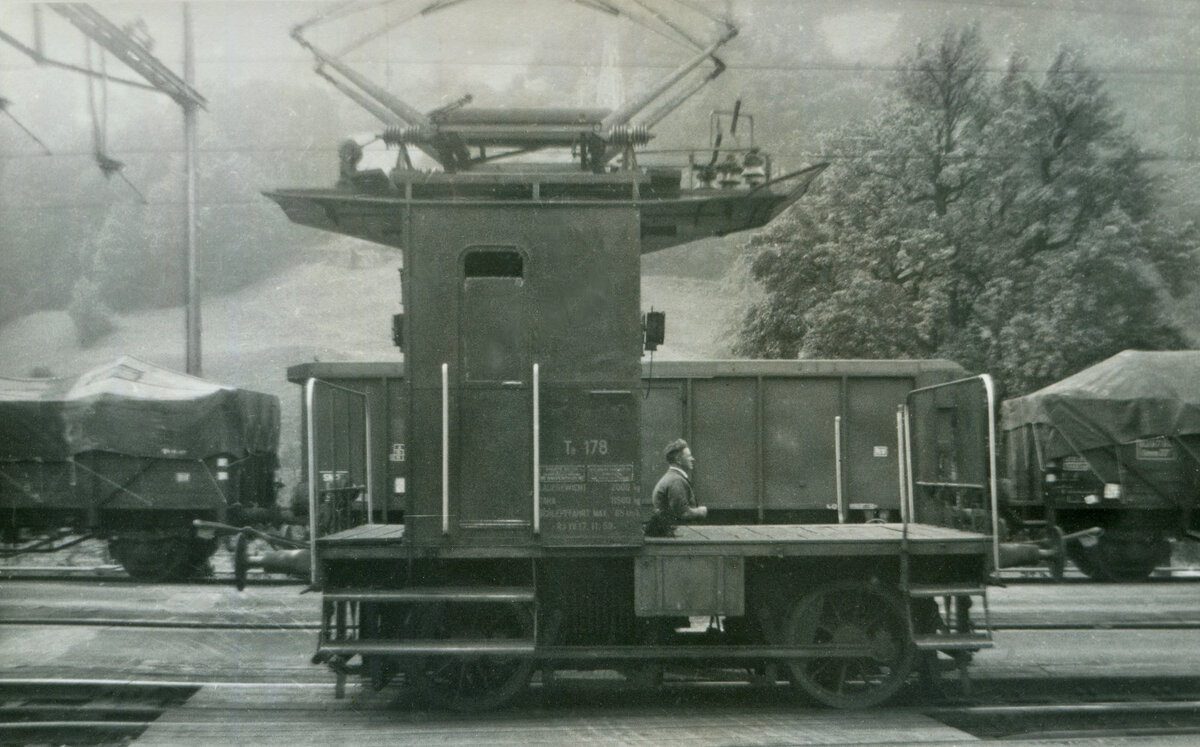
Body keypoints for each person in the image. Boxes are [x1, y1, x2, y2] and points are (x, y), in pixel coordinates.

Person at [644, 438, 707, 537]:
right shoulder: (676, 480)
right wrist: (701, 511)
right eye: (689, 456)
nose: (692, 459)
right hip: (675, 535)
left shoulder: (672, 477)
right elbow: (683, 513)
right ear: (678, 459)